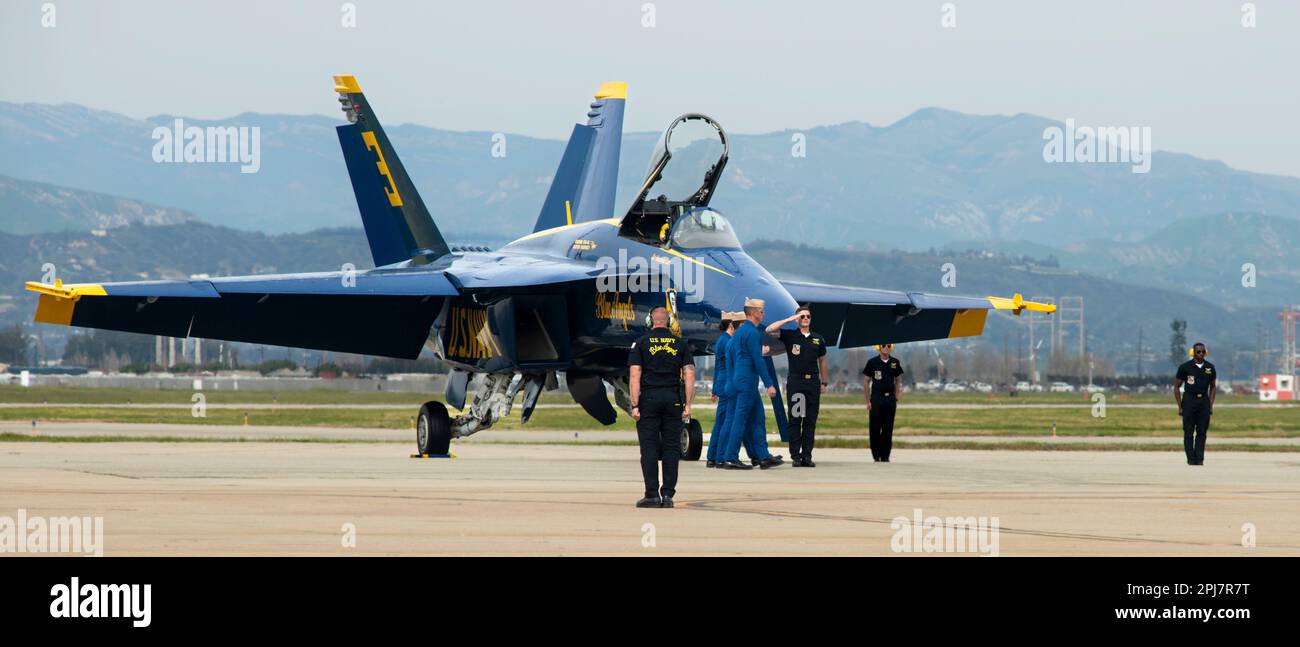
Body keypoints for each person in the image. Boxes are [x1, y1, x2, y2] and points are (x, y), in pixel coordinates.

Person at [628, 306, 696, 507]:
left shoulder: (640, 343)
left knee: (649, 448)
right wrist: (688, 404)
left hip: (649, 399)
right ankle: (667, 495)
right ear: (669, 322)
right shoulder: (680, 343)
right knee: (671, 448)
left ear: (650, 321)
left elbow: (634, 375)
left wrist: (634, 405)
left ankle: (651, 494)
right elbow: (690, 374)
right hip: (673, 399)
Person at [720, 298, 783, 469]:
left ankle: (762, 456)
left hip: (739, 379)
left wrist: (733, 379)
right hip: (747, 380)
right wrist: (769, 383)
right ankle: (730, 457)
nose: (763, 314)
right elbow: (758, 360)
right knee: (740, 419)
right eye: (761, 312)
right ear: (754, 313)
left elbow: (731, 356)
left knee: (757, 417)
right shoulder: (753, 333)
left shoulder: (739, 332)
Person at [767, 305, 828, 467]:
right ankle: (795, 456)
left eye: (807, 316)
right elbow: (769, 330)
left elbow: (823, 361)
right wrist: (789, 319)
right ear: (797, 319)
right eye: (802, 316)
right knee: (795, 419)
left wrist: (824, 382)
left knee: (810, 420)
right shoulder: (790, 336)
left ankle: (807, 455)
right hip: (796, 382)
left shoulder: (818, 339)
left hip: (813, 382)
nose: (805, 319)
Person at [706, 311, 742, 468]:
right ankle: (720, 456)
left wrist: (715, 388)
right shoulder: (729, 342)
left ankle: (712, 456)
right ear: (731, 325)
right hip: (728, 382)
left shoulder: (721, 340)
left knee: (720, 422)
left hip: (721, 382)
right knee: (727, 421)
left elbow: (717, 367)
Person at [1174, 343, 1216, 466]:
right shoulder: (1185, 367)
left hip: (1203, 401)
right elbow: (1176, 387)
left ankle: (1200, 458)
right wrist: (1180, 406)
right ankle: (1191, 459)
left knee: (1202, 431)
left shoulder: (1210, 368)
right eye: (1198, 352)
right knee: (1188, 431)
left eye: (1203, 352)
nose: (1201, 354)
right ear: (1193, 352)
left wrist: (1210, 405)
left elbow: (1213, 387)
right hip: (1189, 401)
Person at [862, 344, 904, 462]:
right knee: (875, 427)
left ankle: (885, 455)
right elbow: (866, 381)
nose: (886, 347)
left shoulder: (895, 362)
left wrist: (897, 394)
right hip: (876, 398)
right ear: (879, 348)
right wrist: (867, 400)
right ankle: (876, 455)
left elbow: (898, 379)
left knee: (888, 428)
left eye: (888, 345)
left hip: (889, 399)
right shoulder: (872, 362)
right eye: (883, 345)